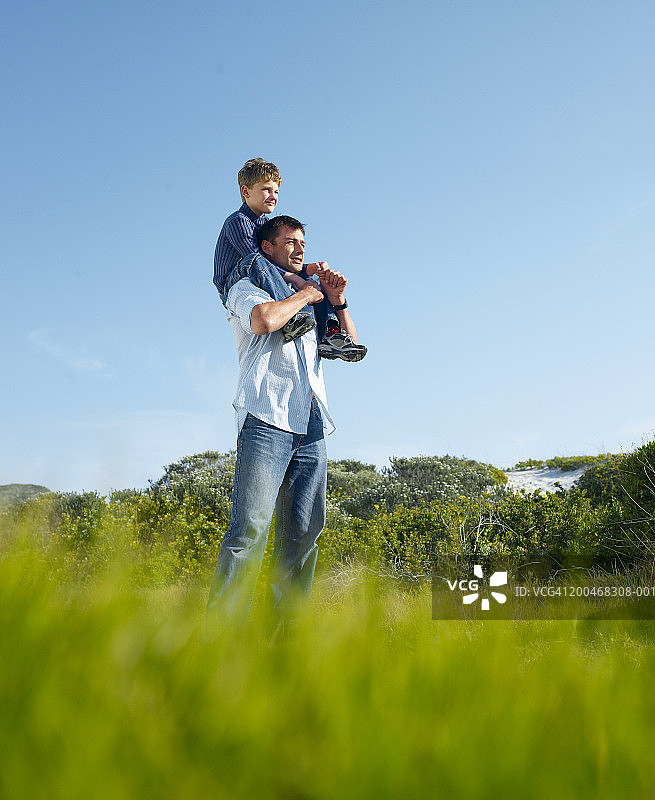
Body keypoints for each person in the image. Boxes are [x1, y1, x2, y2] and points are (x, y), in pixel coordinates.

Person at [207, 216, 364, 624]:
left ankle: (284, 645)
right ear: (266, 247)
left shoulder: (310, 297)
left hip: (311, 424)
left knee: (304, 535)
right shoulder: (245, 287)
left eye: (303, 244)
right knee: (249, 533)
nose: (299, 250)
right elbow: (264, 321)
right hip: (264, 419)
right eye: (289, 242)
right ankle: (219, 646)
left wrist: (336, 299)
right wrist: (306, 295)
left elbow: (350, 347)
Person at [213, 157, 366, 361]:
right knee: (258, 262)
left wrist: (307, 270)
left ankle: (332, 335)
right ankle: (296, 315)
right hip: (233, 279)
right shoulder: (238, 221)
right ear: (246, 191)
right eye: (266, 189)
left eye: (276, 191)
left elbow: (274, 264)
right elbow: (258, 260)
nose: (273, 196)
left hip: (262, 272)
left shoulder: (267, 224)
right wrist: (297, 280)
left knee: (315, 284)